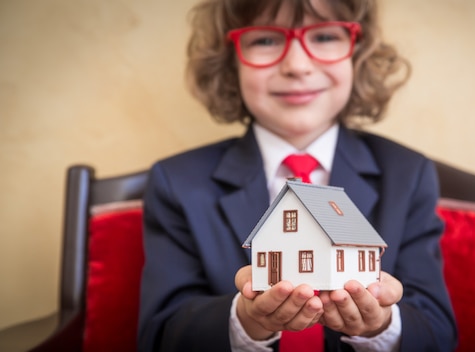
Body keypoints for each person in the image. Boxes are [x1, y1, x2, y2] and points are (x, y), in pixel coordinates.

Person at [137, 0, 457, 351]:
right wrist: (244, 321)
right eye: (265, 40)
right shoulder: (178, 182)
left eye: (323, 36)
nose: (297, 65)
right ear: (230, 61)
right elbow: (159, 336)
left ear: (358, 52)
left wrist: (382, 325)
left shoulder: (407, 174)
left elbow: (437, 333)